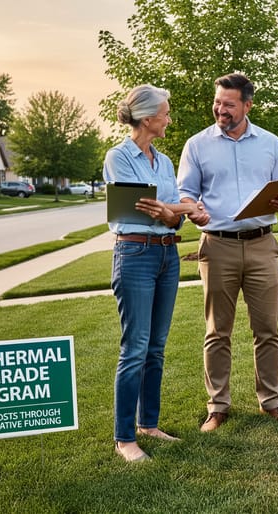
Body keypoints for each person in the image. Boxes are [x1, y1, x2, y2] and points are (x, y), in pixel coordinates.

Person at [178, 73, 278, 432]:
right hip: (217, 247)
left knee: (268, 329)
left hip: (263, 244)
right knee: (217, 331)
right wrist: (191, 207)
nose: (221, 109)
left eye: (229, 104)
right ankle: (217, 407)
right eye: (218, 103)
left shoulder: (271, 143)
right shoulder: (197, 145)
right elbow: (185, 192)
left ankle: (272, 403)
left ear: (247, 105)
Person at [103, 84, 209, 462]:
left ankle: (149, 424)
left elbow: (172, 203)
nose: (168, 118)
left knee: (156, 348)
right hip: (135, 254)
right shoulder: (119, 157)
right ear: (148, 118)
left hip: (168, 256)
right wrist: (181, 210)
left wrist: (189, 209)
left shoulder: (162, 161)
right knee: (135, 348)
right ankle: (125, 438)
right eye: (165, 113)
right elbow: (146, 206)